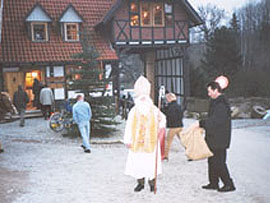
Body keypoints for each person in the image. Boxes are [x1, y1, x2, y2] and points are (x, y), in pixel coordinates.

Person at [124, 76, 166, 192]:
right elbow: (129, 125)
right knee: (138, 164)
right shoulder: (134, 111)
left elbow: (163, 120)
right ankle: (140, 183)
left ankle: (152, 184)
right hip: (137, 142)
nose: (142, 101)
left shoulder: (154, 109)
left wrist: (160, 120)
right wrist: (127, 140)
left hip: (151, 142)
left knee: (151, 164)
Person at [194, 81, 235, 192]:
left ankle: (229, 184)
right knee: (212, 160)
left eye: (209, 91)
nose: (208, 94)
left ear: (216, 90)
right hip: (214, 137)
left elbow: (215, 121)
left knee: (219, 162)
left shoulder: (221, 105)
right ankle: (213, 183)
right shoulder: (216, 102)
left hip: (219, 139)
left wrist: (201, 123)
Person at [163, 93, 183, 161]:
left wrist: (164, 109)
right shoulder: (178, 105)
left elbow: (169, 114)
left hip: (173, 126)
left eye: (167, 99)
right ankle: (191, 154)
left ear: (170, 98)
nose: (167, 100)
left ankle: (165, 156)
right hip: (179, 125)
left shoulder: (170, 107)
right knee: (183, 140)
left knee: (168, 142)